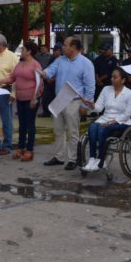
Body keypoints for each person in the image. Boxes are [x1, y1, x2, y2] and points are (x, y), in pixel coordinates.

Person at [40, 37, 95, 170]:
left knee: (72, 132)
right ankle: (59, 157)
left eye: (65, 45)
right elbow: (50, 71)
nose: (62, 48)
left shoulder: (86, 63)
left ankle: (72, 159)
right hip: (59, 99)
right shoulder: (60, 60)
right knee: (58, 130)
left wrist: (85, 105)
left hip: (74, 101)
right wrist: (43, 73)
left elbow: (90, 86)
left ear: (73, 47)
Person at [80, 67, 131, 171]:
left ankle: (101, 159)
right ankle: (92, 158)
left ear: (123, 80)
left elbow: (127, 114)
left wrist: (114, 121)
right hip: (105, 119)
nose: (112, 79)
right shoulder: (106, 89)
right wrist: (92, 105)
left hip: (122, 122)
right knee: (92, 127)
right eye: (111, 77)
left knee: (102, 128)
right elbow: (99, 108)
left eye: (115, 77)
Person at [0, 41, 43, 162]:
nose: (20, 52)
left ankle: (29, 149)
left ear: (29, 51)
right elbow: (12, 77)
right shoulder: (19, 64)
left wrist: (34, 98)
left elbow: (39, 83)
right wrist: (2, 81)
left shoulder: (36, 65)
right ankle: (21, 147)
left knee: (30, 124)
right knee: (22, 125)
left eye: (23, 50)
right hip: (20, 99)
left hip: (31, 99)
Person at [35, 44, 53, 117]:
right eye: (41, 49)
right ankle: (45, 111)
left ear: (46, 49)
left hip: (47, 76)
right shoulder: (37, 56)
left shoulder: (50, 56)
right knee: (41, 95)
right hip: (39, 76)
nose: (42, 50)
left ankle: (48, 111)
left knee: (47, 95)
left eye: (43, 49)